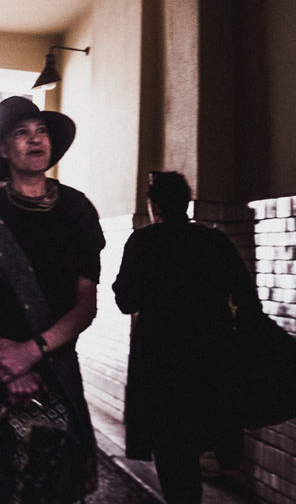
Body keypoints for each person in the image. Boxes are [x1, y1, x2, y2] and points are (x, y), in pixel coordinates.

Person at [0, 96, 105, 504]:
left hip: (54, 367)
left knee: (52, 487)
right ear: (2, 148)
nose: (34, 140)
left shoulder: (78, 209)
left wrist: (31, 351)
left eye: (41, 131)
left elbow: (86, 303)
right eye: (21, 133)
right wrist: (5, 359)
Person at [112, 171, 258, 504]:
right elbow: (246, 297)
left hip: (160, 364)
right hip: (209, 361)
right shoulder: (214, 241)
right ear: (187, 203)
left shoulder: (143, 242)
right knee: (198, 437)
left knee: (171, 448)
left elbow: (125, 301)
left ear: (154, 206)